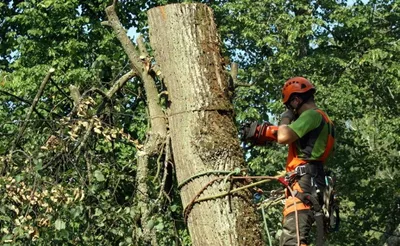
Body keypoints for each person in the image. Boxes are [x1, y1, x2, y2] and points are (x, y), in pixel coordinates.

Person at [242, 77, 335, 246]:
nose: (290, 110)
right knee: (295, 237)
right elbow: (293, 137)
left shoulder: (311, 115)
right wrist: (266, 133)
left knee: (293, 239)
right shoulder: (325, 120)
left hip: (304, 183)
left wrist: (285, 118)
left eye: (289, 106)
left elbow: (284, 135)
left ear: (296, 100)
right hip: (313, 180)